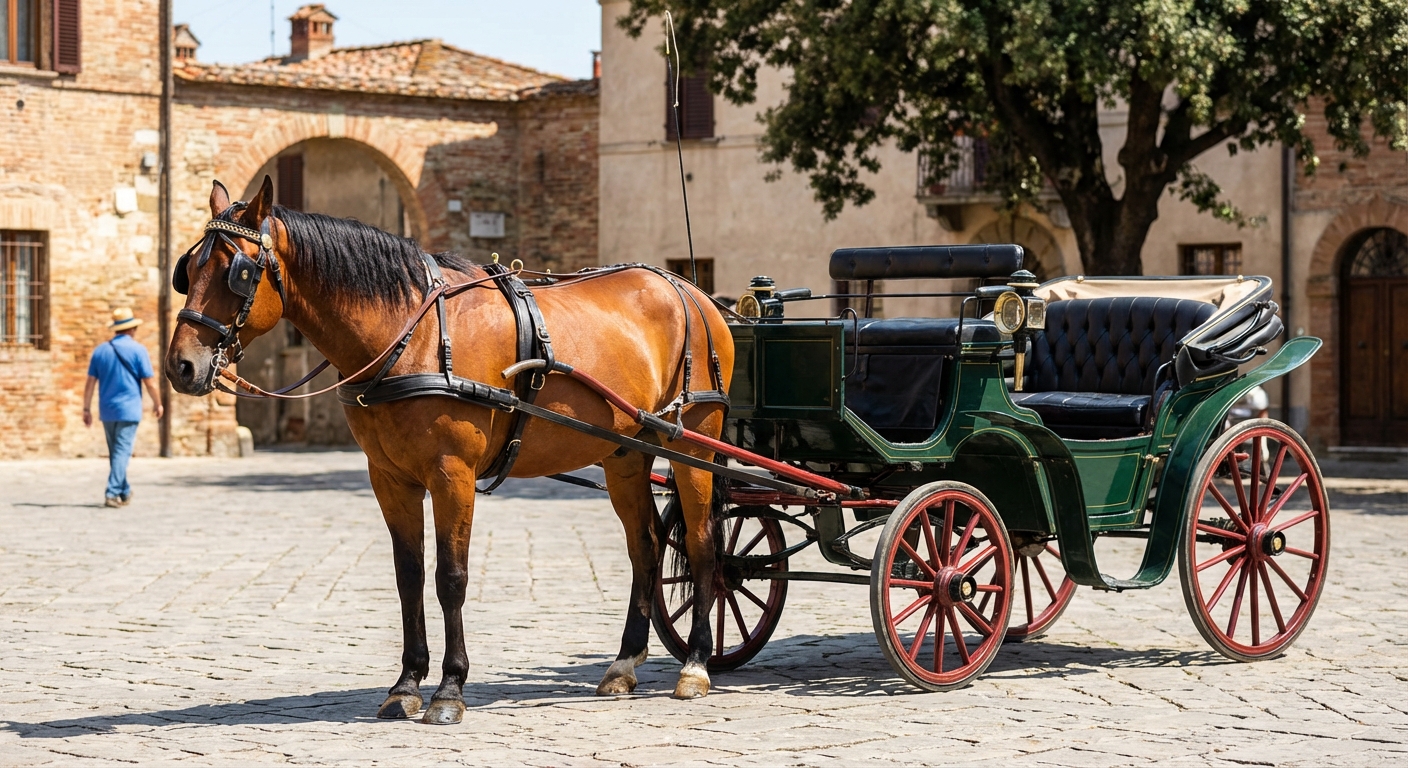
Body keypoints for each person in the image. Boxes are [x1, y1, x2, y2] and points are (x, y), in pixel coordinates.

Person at [83, 308, 163, 507]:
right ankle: (111, 493)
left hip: (107, 410)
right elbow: (150, 382)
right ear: (133, 328)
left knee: (117, 453)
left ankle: (124, 491)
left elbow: (90, 383)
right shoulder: (138, 350)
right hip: (129, 410)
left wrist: (86, 408)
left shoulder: (100, 351)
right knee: (121, 453)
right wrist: (158, 403)